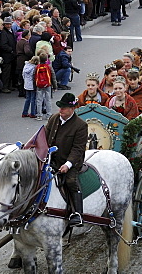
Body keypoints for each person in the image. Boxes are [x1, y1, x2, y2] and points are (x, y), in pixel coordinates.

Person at [46, 93, 88, 226]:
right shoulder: (54, 119)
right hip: (51, 159)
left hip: (70, 162)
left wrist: (68, 165)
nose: (60, 110)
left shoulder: (80, 125)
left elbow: (78, 149)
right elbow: (44, 137)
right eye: (60, 107)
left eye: (64, 108)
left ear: (73, 109)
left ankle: (77, 213)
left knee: (70, 181)